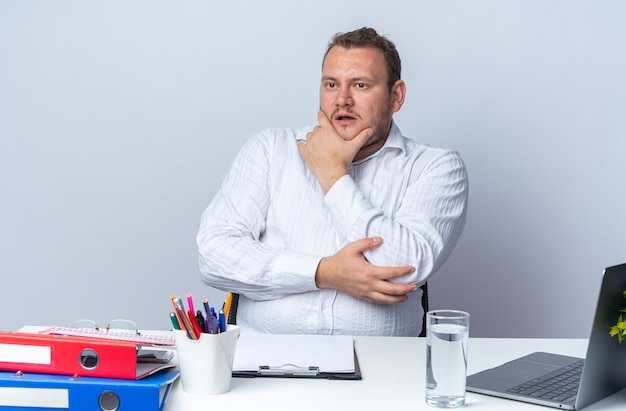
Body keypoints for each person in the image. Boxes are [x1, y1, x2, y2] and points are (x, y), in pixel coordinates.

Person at [197, 27, 468, 336]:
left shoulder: (436, 167)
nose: (342, 100)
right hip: (263, 366)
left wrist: (332, 173)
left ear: (396, 96)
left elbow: (406, 266)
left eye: (361, 85)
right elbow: (214, 254)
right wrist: (325, 272)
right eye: (331, 84)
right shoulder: (270, 149)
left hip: (384, 370)